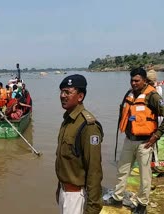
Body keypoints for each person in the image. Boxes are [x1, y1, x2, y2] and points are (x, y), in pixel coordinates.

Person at [104, 67, 164, 214]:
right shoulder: (129, 94)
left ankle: (142, 204)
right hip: (129, 139)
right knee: (122, 170)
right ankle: (117, 198)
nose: (134, 83)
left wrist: (156, 135)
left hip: (145, 142)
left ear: (144, 80)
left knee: (145, 176)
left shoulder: (153, 96)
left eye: (137, 80)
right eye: (132, 80)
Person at [56, 74, 104, 214]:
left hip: (76, 196)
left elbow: (94, 169)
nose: (62, 96)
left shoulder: (88, 126)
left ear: (80, 96)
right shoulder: (68, 121)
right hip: (64, 192)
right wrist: (60, 188)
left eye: (68, 92)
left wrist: (93, 207)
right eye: (61, 91)